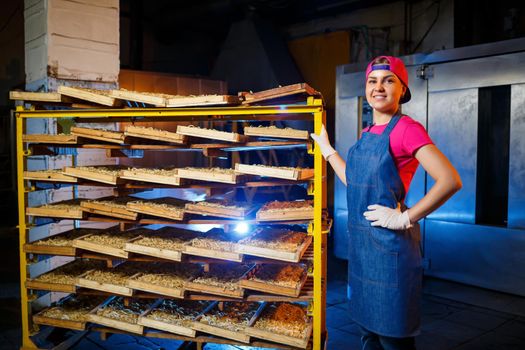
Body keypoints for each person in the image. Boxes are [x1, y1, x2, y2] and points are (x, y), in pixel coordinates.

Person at [311, 56, 462, 350]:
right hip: (363, 249)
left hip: (390, 251)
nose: (379, 87)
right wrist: (328, 151)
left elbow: (449, 180)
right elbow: (355, 181)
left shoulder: (407, 129)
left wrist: (405, 219)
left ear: (403, 89)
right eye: (372, 81)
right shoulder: (368, 132)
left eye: (388, 80)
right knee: (368, 333)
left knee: (393, 338)